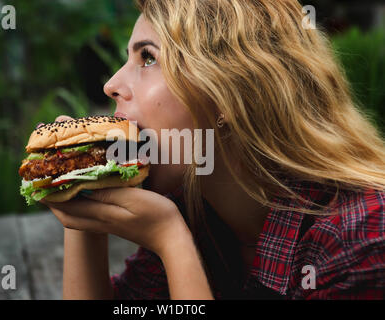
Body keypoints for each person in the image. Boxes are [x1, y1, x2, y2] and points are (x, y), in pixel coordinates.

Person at [40, 0, 385, 299]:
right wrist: (81, 195)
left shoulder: (362, 238)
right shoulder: (197, 210)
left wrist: (172, 241)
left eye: (147, 58)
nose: (111, 84)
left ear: (224, 94)